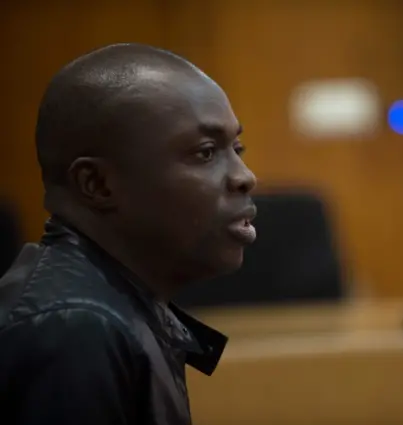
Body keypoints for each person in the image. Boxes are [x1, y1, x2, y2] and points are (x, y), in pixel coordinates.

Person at [0, 43, 257, 425]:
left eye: (237, 148)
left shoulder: (108, 304)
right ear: (98, 184)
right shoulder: (73, 330)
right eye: (206, 152)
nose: (245, 176)